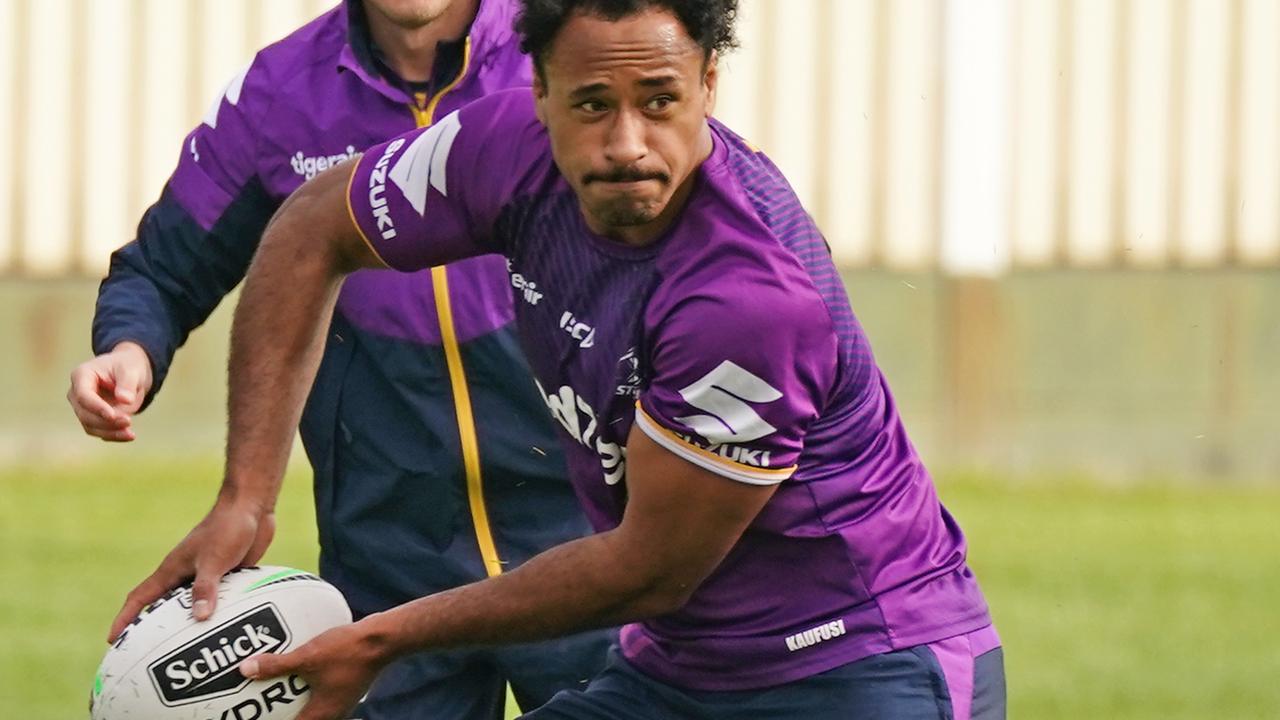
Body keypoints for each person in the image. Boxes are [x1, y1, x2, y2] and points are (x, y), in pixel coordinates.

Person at [137, 0, 1008, 717]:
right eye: (591, 104)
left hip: (859, 667)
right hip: (682, 669)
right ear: (541, 93)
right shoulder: (503, 148)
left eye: (660, 100)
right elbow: (311, 227)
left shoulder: (749, 299)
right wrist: (244, 500)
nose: (625, 142)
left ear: (709, 84)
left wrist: (378, 637)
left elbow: (649, 568)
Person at [69, 1, 613, 717]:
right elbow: (164, 268)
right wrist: (129, 348)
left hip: (590, 544)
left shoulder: (567, 52)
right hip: (388, 558)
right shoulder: (278, 93)